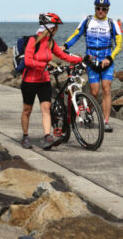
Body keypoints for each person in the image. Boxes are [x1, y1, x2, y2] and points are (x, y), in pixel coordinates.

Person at [21, 13, 83, 150]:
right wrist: (41, 65)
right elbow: (27, 60)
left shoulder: (51, 43)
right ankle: (25, 136)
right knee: (27, 110)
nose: (57, 30)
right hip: (29, 81)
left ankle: (47, 136)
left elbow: (63, 56)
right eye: (55, 27)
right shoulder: (33, 40)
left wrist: (81, 60)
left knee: (46, 109)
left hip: (44, 80)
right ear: (49, 28)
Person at [64, 0, 123, 133]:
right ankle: (90, 111)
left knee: (106, 88)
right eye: (98, 8)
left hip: (107, 61)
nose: (100, 11)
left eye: (103, 9)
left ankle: (106, 121)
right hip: (92, 61)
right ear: (94, 8)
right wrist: (65, 45)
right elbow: (76, 35)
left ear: (107, 10)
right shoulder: (88, 20)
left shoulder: (111, 23)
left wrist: (110, 57)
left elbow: (119, 45)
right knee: (94, 92)